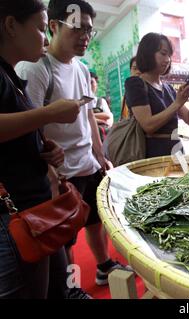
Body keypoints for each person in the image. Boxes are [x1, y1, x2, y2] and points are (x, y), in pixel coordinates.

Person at [15, 0, 131, 295]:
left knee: (94, 220)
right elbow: (30, 124)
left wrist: (100, 153)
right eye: (78, 28)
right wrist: (51, 171)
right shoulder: (36, 69)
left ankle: (104, 266)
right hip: (62, 172)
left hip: (87, 164)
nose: (85, 37)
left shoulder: (81, 69)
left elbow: (88, 114)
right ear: (53, 26)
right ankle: (70, 289)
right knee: (63, 237)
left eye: (90, 30)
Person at [0, 0, 82, 298]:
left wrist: (44, 149)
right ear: (11, 26)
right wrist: (49, 114)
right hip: (15, 217)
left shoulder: (11, 76)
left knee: (55, 287)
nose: (44, 38)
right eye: (38, 27)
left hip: (36, 209)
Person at [124, 32, 189, 158]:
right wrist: (177, 103)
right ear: (148, 53)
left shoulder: (168, 88)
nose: (168, 60)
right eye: (163, 54)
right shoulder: (135, 83)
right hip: (152, 154)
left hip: (176, 151)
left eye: (169, 55)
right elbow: (148, 125)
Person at [90, 71, 113, 142]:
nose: (89, 85)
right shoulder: (81, 101)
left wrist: (89, 116)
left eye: (91, 82)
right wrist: (100, 119)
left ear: (96, 84)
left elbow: (108, 118)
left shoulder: (101, 101)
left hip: (102, 139)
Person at [120, 56, 140, 120]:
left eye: (141, 69)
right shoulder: (126, 96)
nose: (138, 72)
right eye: (135, 68)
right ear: (130, 70)